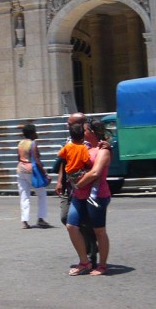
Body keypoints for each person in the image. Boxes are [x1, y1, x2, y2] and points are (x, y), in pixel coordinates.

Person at [66, 118, 113, 276]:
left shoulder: (103, 150)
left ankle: (102, 265)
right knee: (71, 226)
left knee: (99, 231)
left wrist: (78, 183)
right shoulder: (82, 146)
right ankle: (84, 262)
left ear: (92, 133)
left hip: (96, 195)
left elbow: (95, 173)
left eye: (85, 130)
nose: (82, 132)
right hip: (79, 195)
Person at [55, 112, 98, 266]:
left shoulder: (90, 142)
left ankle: (90, 251)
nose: (67, 125)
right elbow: (63, 162)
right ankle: (87, 244)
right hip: (68, 187)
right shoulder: (69, 140)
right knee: (65, 217)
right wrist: (60, 180)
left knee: (84, 222)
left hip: (83, 187)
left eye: (70, 122)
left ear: (78, 125)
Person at [16, 123, 51, 229]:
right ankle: (41, 219)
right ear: (31, 134)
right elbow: (36, 160)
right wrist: (45, 174)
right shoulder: (33, 144)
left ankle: (24, 221)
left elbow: (19, 157)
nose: (36, 134)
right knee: (41, 194)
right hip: (31, 171)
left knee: (24, 195)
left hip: (20, 170)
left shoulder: (20, 143)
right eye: (35, 132)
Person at [58, 120, 100, 207]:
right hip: (79, 172)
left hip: (69, 174)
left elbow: (61, 155)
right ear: (82, 136)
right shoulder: (83, 148)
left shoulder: (67, 146)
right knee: (96, 177)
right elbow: (87, 161)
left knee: (75, 187)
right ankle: (93, 195)